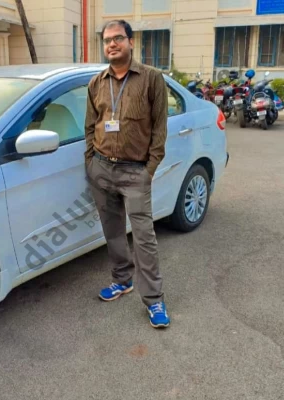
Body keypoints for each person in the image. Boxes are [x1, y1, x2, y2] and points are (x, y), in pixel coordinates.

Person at [84, 19, 170, 328]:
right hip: (102, 168)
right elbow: (90, 127)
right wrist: (91, 163)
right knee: (113, 231)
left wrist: (149, 169)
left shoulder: (151, 79)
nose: (112, 44)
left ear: (131, 42)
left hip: (135, 171)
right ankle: (122, 280)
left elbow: (159, 128)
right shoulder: (96, 83)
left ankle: (154, 299)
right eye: (107, 40)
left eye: (118, 38)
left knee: (144, 237)